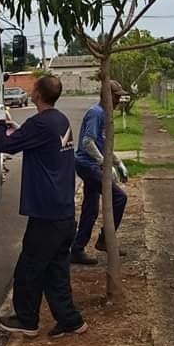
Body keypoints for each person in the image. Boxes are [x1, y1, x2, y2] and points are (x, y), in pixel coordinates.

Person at [0, 75, 88, 338]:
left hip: (46, 213)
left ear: (37, 95)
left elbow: (3, 146)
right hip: (63, 211)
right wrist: (14, 126)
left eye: (33, 88)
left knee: (29, 268)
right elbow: (37, 141)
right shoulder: (59, 120)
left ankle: (26, 320)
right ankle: (71, 320)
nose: (30, 90)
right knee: (56, 268)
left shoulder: (40, 123)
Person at [71, 80, 130, 265]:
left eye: (120, 95)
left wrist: (118, 162)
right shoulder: (96, 114)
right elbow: (88, 143)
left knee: (90, 208)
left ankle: (77, 249)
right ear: (106, 95)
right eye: (116, 95)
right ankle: (105, 240)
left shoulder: (105, 113)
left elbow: (103, 144)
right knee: (120, 198)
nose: (119, 99)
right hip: (87, 164)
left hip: (92, 164)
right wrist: (105, 164)